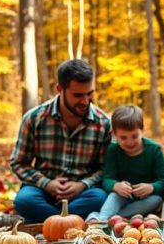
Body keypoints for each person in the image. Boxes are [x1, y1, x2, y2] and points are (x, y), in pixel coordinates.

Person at [11, 58, 111, 223]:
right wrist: (47, 184)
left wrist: (82, 185)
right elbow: (18, 163)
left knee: (100, 198)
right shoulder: (34, 118)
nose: (85, 101)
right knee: (24, 200)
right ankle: (69, 221)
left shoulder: (104, 123)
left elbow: (105, 169)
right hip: (42, 190)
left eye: (90, 93)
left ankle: (46, 221)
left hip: (83, 193)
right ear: (60, 89)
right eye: (78, 95)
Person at [89, 104, 164, 221]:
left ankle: (116, 218)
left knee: (156, 200)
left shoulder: (154, 149)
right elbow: (107, 179)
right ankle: (102, 220)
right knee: (114, 196)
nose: (130, 142)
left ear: (142, 130)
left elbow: (163, 181)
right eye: (123, 138)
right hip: (123, 195)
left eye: (134, 136)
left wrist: (151, 187)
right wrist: (116, 185)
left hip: (146, 197)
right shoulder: (113, 150)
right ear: (115, 134)